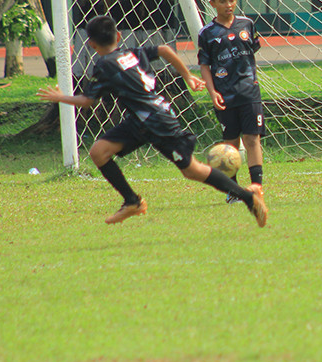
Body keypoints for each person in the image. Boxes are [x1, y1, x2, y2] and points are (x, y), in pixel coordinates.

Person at [37, 15, 268, 226]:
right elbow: (165, 50)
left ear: (91, 44)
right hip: (143, 120)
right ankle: (132, 201)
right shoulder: (131, 53)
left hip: (157, 121)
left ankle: (248, 197)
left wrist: (60, 97)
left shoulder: (104, 65)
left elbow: (88, 101)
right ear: (118, 36)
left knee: (192, 170)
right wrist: (187, 75)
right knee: (99, 151)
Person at [198, 0, 265, 202]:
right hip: (225, 95)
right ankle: (233, 191)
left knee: (252, 138)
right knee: (230, 145)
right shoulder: (207, 33)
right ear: (212, 3)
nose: (228, 5)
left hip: (249, 92)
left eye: (232, 0)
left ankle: (256, 187)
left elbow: (252, 53)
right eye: (222, 1)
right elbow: (205, 65)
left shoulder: (247, 24)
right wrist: (212, 92)